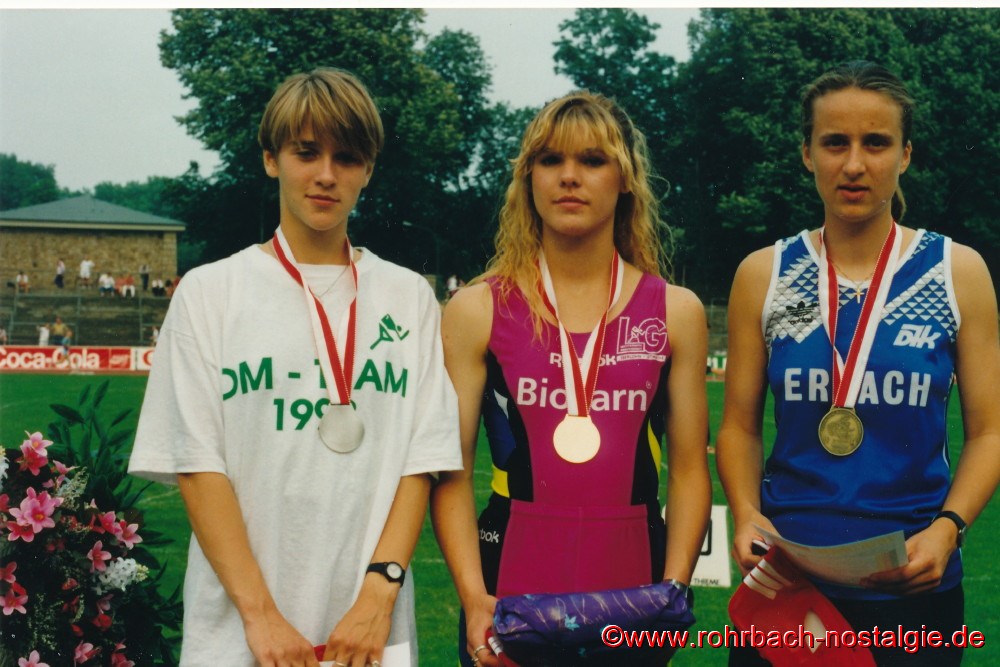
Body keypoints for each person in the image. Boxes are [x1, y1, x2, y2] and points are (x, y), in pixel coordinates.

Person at [127, 67, 461, 667]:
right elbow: (198, 465)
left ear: (369, 170)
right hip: (239, 633)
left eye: (348, 157)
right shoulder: (210, 292)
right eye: (307, 152)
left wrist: (379, 594)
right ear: (271, 159)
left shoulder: (408, 296)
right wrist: (261, 618)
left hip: (369, 633)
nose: (327, 175)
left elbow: (423, 460)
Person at [717, 61, 1000, 666]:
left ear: (905, 155)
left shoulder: (958, 273)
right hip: (789, 581)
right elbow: (739, 425)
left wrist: (948, 529)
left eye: (876, 143)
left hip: (914, 579)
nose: (853, 164)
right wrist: (744, 513)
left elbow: (990, 430)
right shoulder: (763, 274)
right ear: (805, 153)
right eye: (834, 142)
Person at [430, 91, 712, 666]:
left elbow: (688, 470)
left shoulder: (675, 311)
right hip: (507, 580)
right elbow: (450, 473)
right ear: (527, 177)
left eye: (592, 160)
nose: (569, 177)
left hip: (633, 588)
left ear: (626, 178)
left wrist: (675, 588)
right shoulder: (477, 308)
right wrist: (473, 598)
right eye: (551, 160)